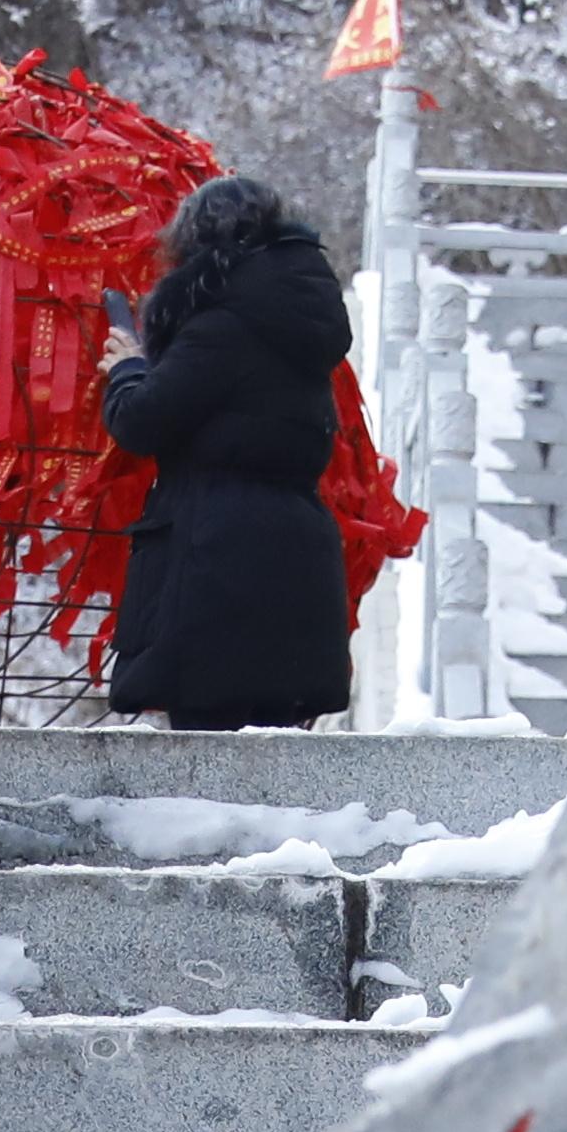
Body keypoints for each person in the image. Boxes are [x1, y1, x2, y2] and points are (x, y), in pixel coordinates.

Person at [97, 172, 361, 728]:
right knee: (276, 757)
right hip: (297, 553)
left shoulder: (221, 326)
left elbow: (142, 423)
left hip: (217, 561)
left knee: (208, 764)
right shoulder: (300, 321)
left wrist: (127, 370)